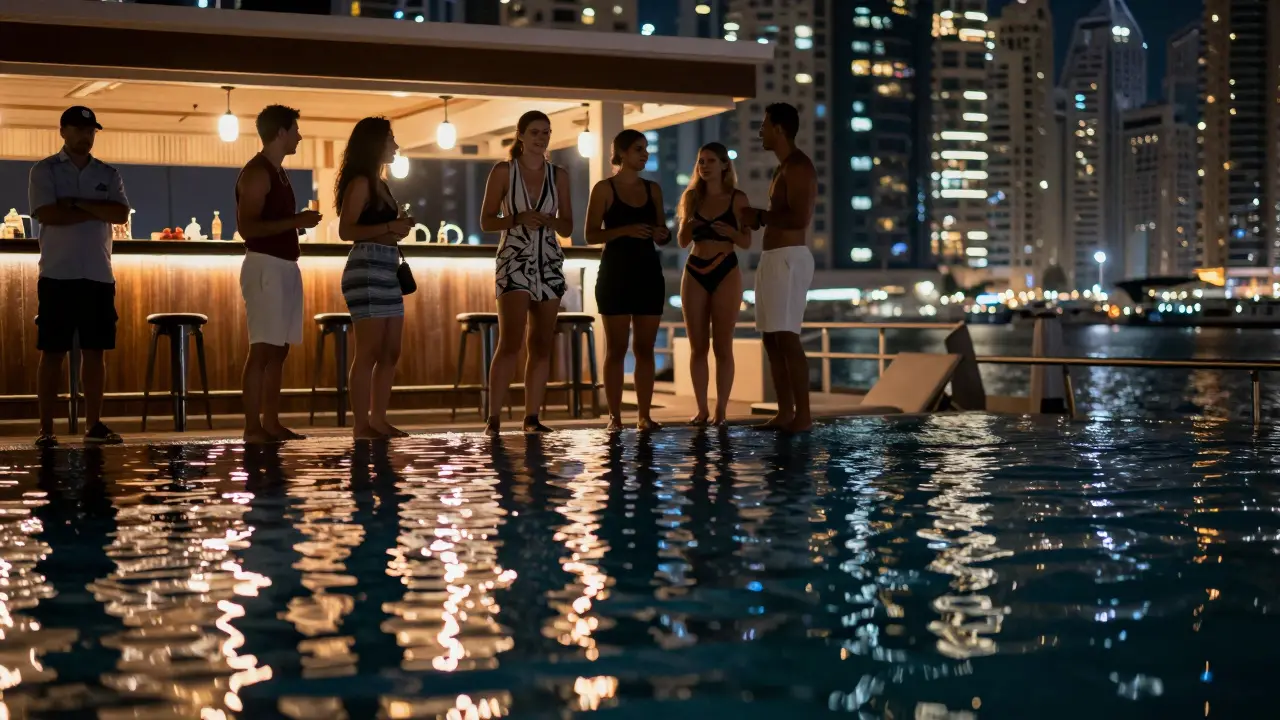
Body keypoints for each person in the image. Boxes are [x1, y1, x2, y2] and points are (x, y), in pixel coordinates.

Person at [28, 106, 130, 447]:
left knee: (95, 351)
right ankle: (46, 428)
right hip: (57, 272)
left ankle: (94, 423)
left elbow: (120, 212)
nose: (86, 136)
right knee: (53, 351)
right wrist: (93, 208)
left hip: (98, 273)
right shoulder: (44, 170)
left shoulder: (107, 171)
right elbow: (47, 215)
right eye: (79, 130)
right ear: (63, 132)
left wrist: (77, 204)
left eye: (91, 131)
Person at [479, 110, 574, 435]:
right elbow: (487, 221)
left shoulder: (558, 175)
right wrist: (517, 219)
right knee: (510, 340)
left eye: (546, 132)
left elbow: (568, 224)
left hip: (548, 260)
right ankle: (493, 418)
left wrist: (550, 221)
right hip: (514, 259)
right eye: (535, 132)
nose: (541, 138)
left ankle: (531, 417)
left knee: (541, 342)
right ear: (520, 135)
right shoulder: (504, 171)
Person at [235, 105, 322, 444]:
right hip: (265, 265)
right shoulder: (257, 172)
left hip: (284, 265)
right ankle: (252, 427)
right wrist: (296, 222)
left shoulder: (279, 172)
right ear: (281, 133)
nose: (299, 136)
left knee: (279, 349)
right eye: (295, 130)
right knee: (262, 349)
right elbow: (247, 226)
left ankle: (270, 423)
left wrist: (294, 224)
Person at [335, 117, 416, 440]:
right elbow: (346, 231)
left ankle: (379, 420)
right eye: (390, 140)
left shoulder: (380, 183)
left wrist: (398, 227)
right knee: (368, 350)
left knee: (390, 351)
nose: (395, 146)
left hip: (386, 268)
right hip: (366, 268)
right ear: (375, 144)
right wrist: (389, 227)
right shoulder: (360, 183)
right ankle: (361, 425)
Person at [738, 102, 817, 433]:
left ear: (780, 129)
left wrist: (760, 216)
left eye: (764, 125)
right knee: (771, 339)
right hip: (773, 259)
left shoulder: (798, 166)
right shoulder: (781, 167)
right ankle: (785, 412)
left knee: (787, 337)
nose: (760, 130)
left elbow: (800, 218)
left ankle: (803, 416)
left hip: (789, 258)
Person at [585, 129, 671, 431]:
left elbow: (663, 233)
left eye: (646, 148)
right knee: (617, 348)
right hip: (616, 273)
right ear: (621, 154)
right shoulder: (604, 189)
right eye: (638, 149)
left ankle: (645, 416)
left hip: (648, 272)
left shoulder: (653, 189)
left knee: (645, 349)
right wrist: (625, 230)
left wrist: (663, 234)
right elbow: (590, 234)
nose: (644, 154)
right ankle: (615, 417)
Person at [677, 142, 751, 427]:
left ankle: (720, 409)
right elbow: (683, 241)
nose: (704, 166)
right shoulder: (692, 197)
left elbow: (745, 242)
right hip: (695, 268)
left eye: (709, 161)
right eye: (700, 162)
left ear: (724, 165)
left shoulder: (737, 198)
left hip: (725, 268)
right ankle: (701, 408)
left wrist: (731, 231)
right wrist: (689, 225)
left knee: (723, 345)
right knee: (698, 347)